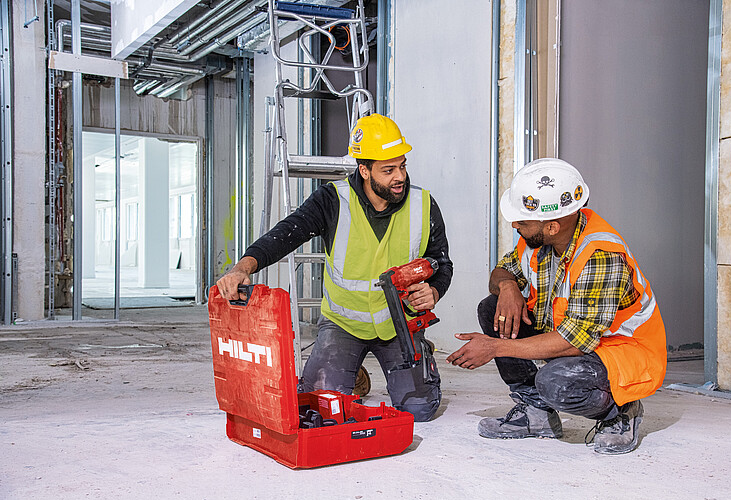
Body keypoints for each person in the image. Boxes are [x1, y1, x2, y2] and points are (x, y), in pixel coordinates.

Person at [217, 114, 453, 422]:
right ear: (364, 170)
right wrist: (243, 267)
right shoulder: (332, 200)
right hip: (344, 325)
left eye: (402, 166)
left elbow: (442, 262)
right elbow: (287, 233)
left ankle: (412, 354)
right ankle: (350, 370)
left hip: (398, 326)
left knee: (419, 411)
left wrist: (434, 290)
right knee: (321, 408)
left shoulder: (423, 204)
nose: (400, 177)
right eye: (388, 170)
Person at [447, 158, 666, 454]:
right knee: (492, 308)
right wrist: (508, 287)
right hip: (573, 339)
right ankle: (536, 413)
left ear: (551, 226)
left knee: (556, 382)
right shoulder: (539, 241)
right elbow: (502, 272)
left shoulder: (600, 256)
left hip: (620, 352)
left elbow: (574, 341)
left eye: (522, 221)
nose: (514, 225)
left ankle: (620, 411)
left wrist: (494, 347)